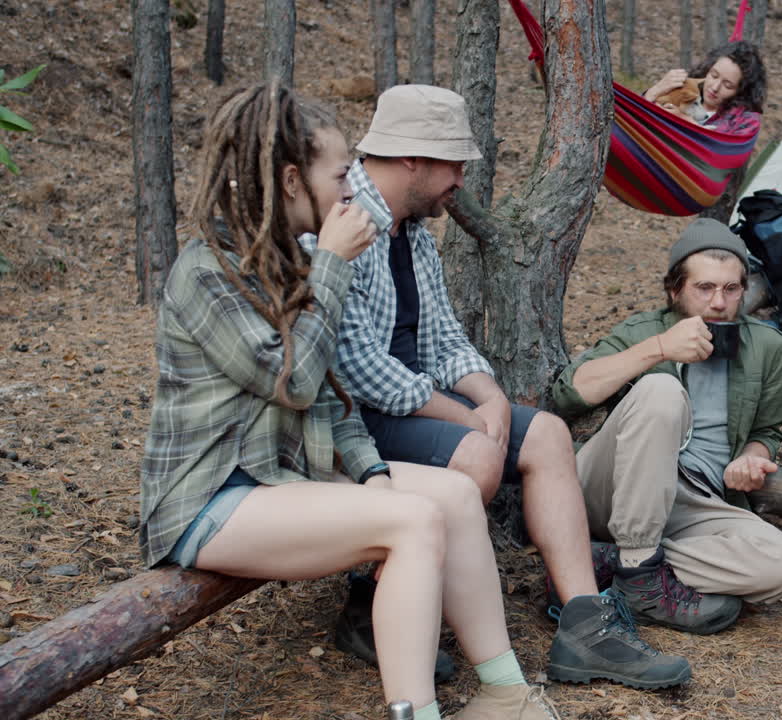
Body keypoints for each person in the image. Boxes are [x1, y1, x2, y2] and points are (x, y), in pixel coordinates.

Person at [140, 82, 557, 720]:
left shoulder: (288, 264)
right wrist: (332, 266)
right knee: (413, 522)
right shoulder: (207, 271)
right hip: (209, 498)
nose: (348, 190)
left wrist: (373, 474)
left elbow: (334, 401)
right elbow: (294, 382)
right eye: (338, 175)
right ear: (288, 180)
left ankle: (506, 693)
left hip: (283, 477)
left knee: (446, 496)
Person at [312, 84, 690, 690]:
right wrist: (463, 419)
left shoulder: (409, 231)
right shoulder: (346, 224)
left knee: (544, 433)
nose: (461, 178)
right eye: (454, 163)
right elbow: (355, 367)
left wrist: (486, 397)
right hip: (354, 417)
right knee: (477, 455)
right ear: (413, 159)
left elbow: (442, 337)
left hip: (415, 405)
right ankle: (369, 606)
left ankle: (584, 627)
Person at [550, 218, 782, 635]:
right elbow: (568, 394)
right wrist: (660, 349)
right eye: (704, 288)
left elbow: (768, 430)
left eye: (731, 289)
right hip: (614, 486)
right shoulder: (643, 331)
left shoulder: (767, 346)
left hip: (693, 501)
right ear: (675, 289)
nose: (719, 303)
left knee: (779, 563)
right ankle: (638, 568)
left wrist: (753, 457)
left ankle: (617, 564)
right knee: (662, 390)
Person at [643, 40, 766, 137]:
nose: (715, 87)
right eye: (714, 75)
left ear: (741, 91)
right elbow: (635, 121)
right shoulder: (684, 87)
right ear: (707, 69)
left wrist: (686, 121)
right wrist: (654, 91)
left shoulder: (744, 120)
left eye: (727, 85)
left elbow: (725, 156)